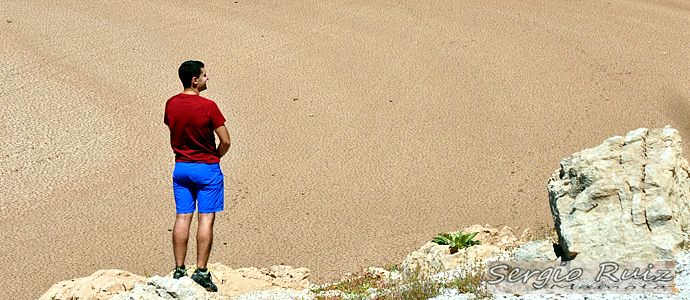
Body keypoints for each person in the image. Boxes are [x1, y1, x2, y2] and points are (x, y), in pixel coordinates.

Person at [163, 60, 231, 292]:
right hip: (206, 167)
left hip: (181, 167)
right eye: (204, 75)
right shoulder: (209, 106)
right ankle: (201, 271)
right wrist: (216, 156)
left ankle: (179, 268)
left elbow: (173, 127)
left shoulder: (171, 104)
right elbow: (226, 140)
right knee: (205, 218)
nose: (207, 78)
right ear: (194, 80)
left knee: (182, 217)